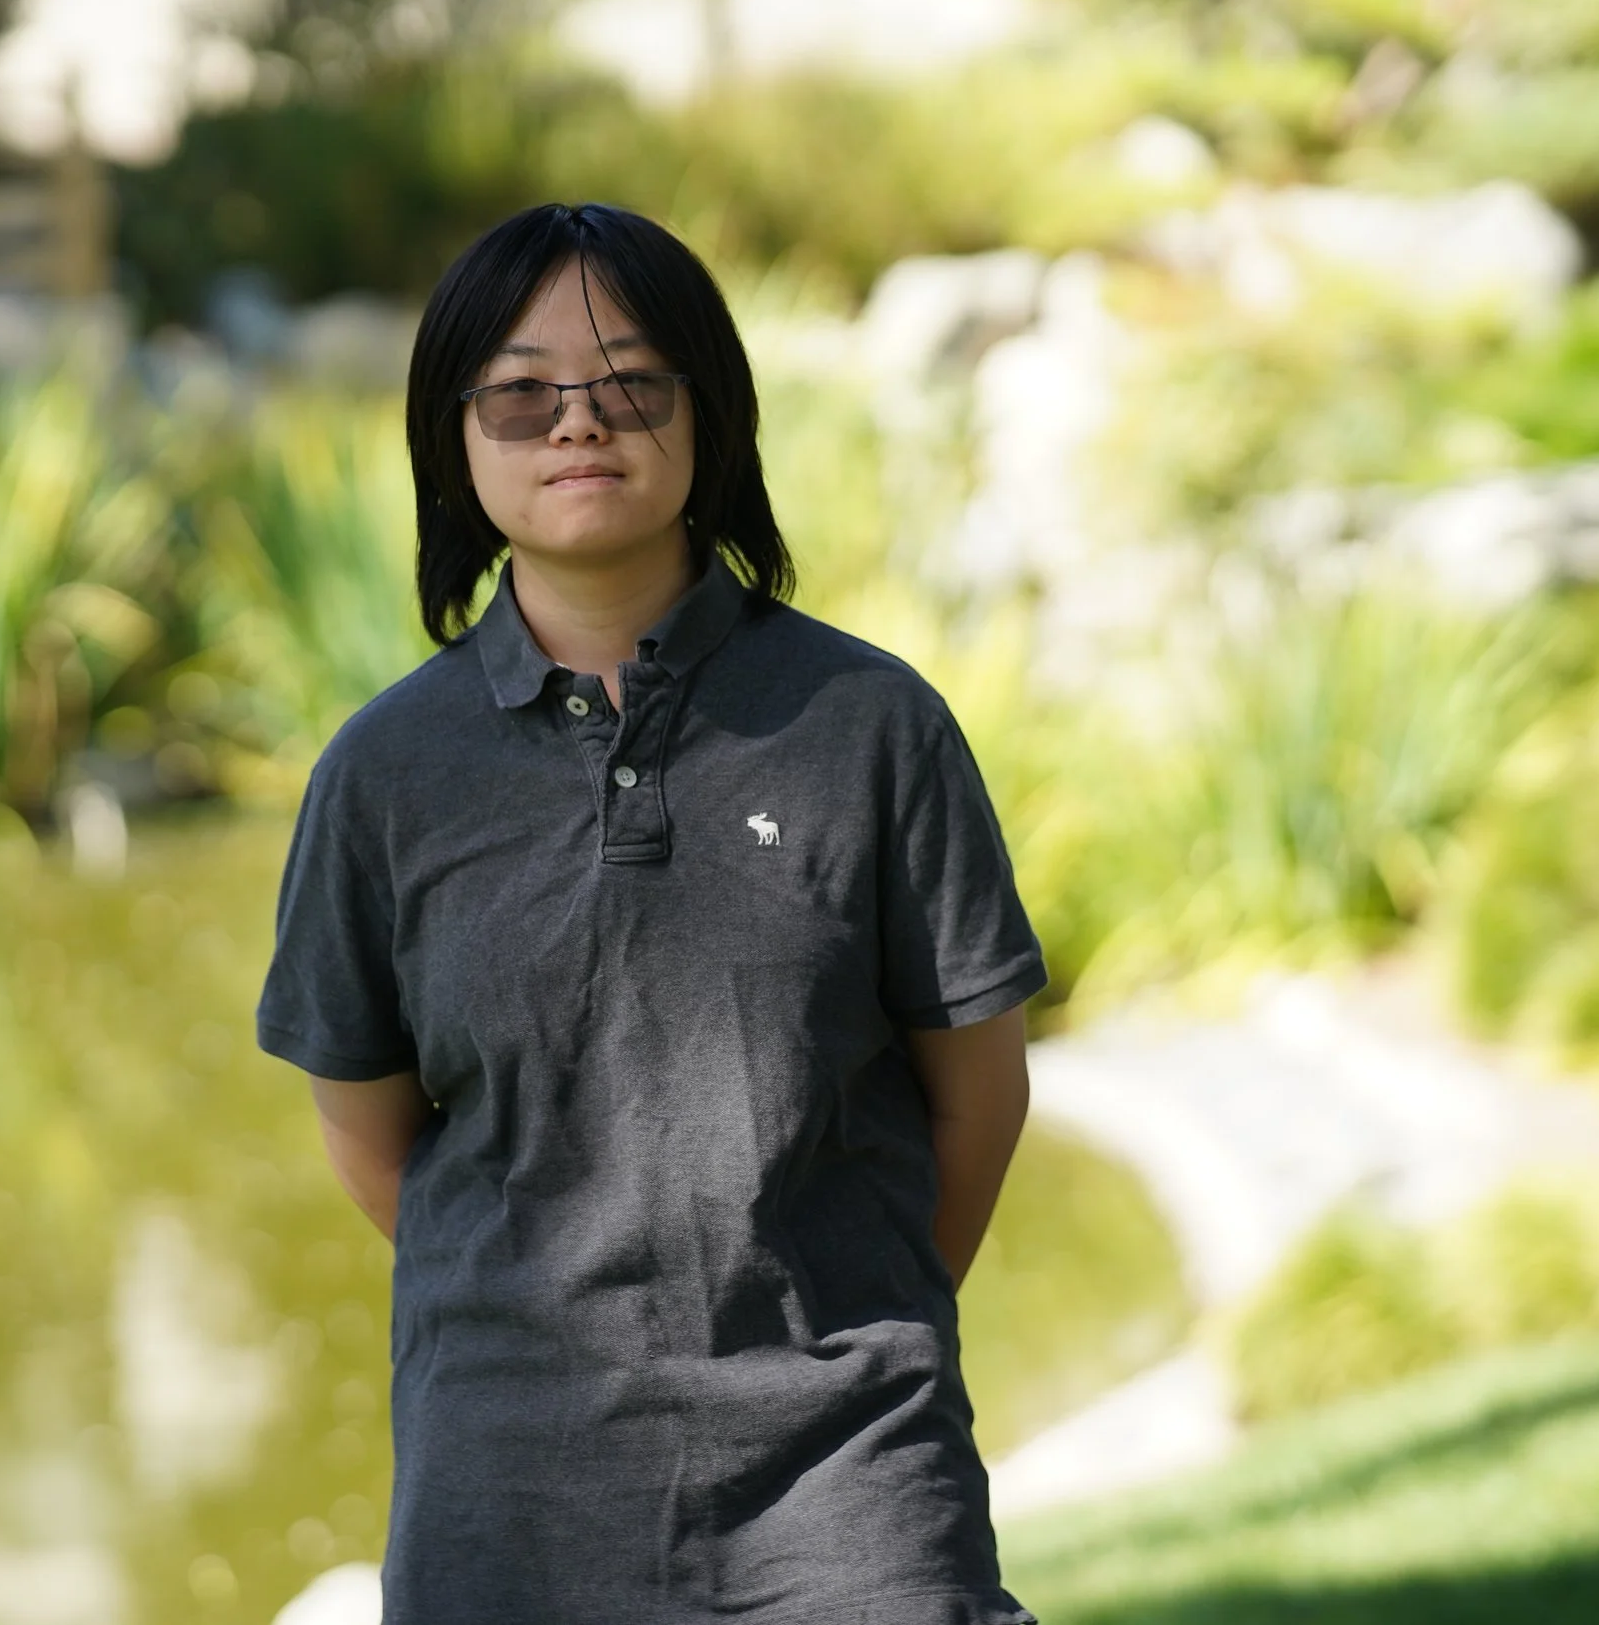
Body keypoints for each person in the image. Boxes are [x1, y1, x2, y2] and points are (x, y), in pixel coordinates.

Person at [255, 202, 1048, 1624]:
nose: (578, 420)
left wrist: (833, 1330)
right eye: (520, 393)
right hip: (505, 1500)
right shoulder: (383, 776)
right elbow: (371, 1138)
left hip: (853, 1487)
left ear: (710, 414)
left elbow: (978, 1102)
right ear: (454, 438)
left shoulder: (870, 726)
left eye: (630, 382)